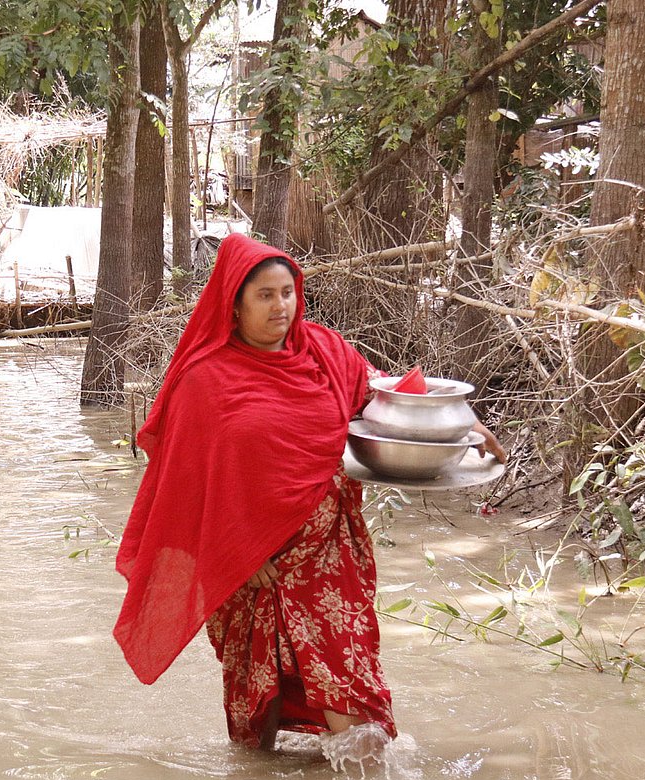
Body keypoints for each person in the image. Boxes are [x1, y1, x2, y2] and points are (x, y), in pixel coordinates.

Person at [113, 234, 506, 752]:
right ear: (233, 303)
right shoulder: (204, 380)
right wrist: (236, 555)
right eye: (265, 296)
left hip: (327, 554)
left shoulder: (321, 350)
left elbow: (385, 395)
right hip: (254, 564)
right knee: (259, 699)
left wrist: (462, 424)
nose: (282, 306)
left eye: (288, 292)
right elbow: (186, 488)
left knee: (344, 672)